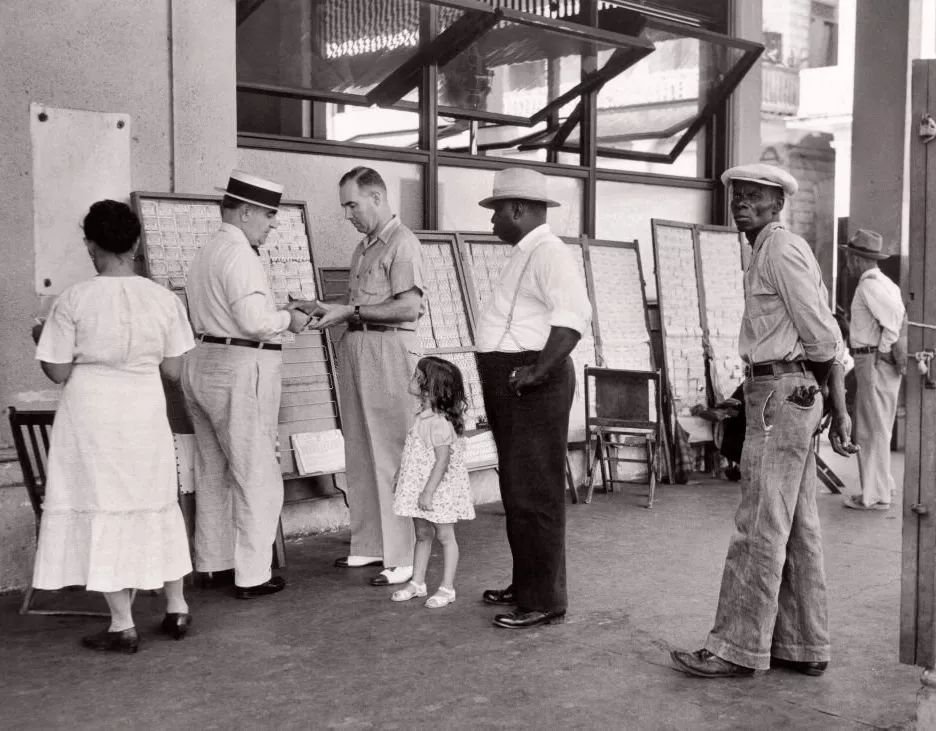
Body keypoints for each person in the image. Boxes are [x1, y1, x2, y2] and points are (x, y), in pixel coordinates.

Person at [670, 163, 858, 679]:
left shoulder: (779, 248)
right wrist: (829, 405)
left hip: (782, 391)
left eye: (754, 197)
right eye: (737, 197)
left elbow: (824, 336)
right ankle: (802, 644)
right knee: (793, 524)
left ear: (778, 205)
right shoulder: (764, 251)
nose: (742, 205)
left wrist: (838, 407)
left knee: (757, 527)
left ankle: (735, 648)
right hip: (782, 389)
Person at [31, 200, 195, 653]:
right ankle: (176, 606)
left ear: (90, 245)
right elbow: (174, 371)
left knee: (101, 507)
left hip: (93, 416)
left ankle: (122, 622)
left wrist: (40, 341)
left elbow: (59, 373)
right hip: (144, 412)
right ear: (137, 243)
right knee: (156, 504)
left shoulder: (74, 300)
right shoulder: (164, 300)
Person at [473, 167, 592, 629]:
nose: (492, 221)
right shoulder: (528, 251)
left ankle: (543, 599)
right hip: (515, 380)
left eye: (497, 211)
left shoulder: (548, 253)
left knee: (536, 492)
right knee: (517, 490)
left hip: (532, 385)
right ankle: (526, 583)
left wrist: (537, 372)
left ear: (519, 210)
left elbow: (573, 320)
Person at [182, 170, 310, 599]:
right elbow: (255, 323)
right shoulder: (241, 255)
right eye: (269, 215)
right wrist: (289, 318)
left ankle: (215, 563)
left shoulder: (206, 252)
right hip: (240, 367)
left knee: (213, 470)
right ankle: (252, 574)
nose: (273, 224)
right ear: (247, 211)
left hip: (201, 363)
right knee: (257, 474)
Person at [292, 167, 423, 587]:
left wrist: (350, 312)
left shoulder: (403, 245)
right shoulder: (365, 248)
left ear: (377, 198)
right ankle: (370, 544)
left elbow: (408, 309)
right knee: (362, 454)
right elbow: (355, 303)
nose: (347, 214)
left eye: (352, 204)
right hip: (359, 348)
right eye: (345, 206)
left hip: (389, 350)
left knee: (392, 455)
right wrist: (319, 305)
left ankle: (402, 555)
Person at [389, 356, 475, 608]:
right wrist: (400, 475)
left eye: (417, 376)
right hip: (420, 487)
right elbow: (415, 453)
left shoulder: (438, 423)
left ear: (430, 387)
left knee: (445, 536)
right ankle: (417, 582)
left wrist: (427, 492)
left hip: (437, 490)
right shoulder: (423, 416)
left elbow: (442, 462)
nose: (411, 379)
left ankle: (447, 588)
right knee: (422, 534)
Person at [840, 229, 906, 511]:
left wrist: (882, 351)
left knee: (869, 429)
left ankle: (873, 495)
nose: (848, 264)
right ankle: (882, 486)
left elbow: (893, 320)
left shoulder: (869, 285)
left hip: (872, 359)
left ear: (858, 259)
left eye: (850, 258)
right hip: (876, 360)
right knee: (880, 427)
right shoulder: (886, 282)